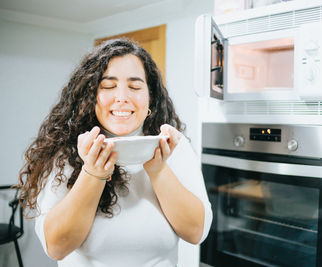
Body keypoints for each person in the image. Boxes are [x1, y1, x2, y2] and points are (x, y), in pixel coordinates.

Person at [17, 38, 212, 267]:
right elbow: (57, 247)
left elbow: (195, 232)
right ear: (90, 97)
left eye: (135, 86)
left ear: (150, 96)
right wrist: (93, 172)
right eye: (108, 86)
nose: (122, 97)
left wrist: (158, 170)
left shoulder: (172, 148)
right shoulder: (67, 153)